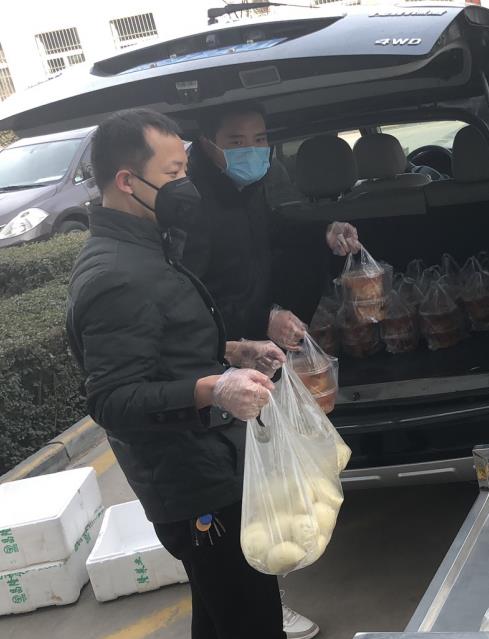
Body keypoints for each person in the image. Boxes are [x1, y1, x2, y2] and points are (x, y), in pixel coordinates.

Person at [66, 108, 301, 639]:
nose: (186, 186)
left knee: (220, 614)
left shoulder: (148, 245)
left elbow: (166, 344)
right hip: (192, 483)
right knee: (252, 620)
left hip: (209, 464)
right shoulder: (116, 275)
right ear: (127, 181)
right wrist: (213, 388)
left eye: (186, 171)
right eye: (173, 175)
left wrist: (234, 351)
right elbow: (112, 400)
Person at [184, 102, 361, 351]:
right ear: (207, 143)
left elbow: (272, 230)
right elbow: (187, 297)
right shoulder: (190, 203)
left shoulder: (246, 188)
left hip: (263, 341)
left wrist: (325, 232)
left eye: (259, 139)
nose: (252, 150)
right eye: (237, 142)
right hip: (224, 349)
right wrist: (262, 320)